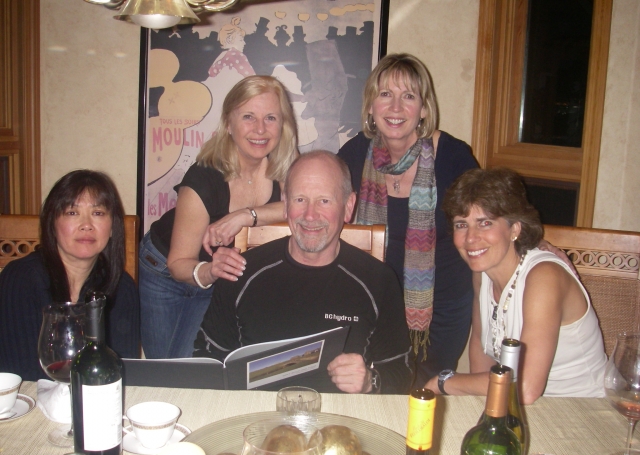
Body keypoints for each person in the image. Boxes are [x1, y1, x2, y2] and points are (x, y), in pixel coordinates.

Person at [193, 151, 412, 394]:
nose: (310, 215)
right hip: (257, 420)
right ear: (285, 204)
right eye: (300, 200)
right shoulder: (240, 272)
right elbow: (208, 361)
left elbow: (401, 374)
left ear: (348, 206)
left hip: (341, 424)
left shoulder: (379, 281)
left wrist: (370, 381)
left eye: (324, 201)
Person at [337, 53, 479, 386]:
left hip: (439, 311)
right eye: (385, 94)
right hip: (370, 305)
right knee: (374, 387)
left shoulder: (453, 157)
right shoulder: (354, 155)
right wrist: (250, 215)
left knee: (418, 392)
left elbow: (493, 218)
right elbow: (317, 204)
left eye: (409, 96)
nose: (396, 107)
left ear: (424, 109)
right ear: (371, 106)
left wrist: (532, 241)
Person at [139, 75, 298, 359]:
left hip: (220, 275)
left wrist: (243, 216)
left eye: (271, 118)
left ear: (283, 123)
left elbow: (299, 207)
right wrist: (210, 270)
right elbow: (179, 263)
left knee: (197, 363)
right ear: (228, 123)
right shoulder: (202, 177)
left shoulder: (286, 163)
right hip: (164, 268)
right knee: (164, 368)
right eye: (248, 116)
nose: (260, 129)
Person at [424, 168, 606, 402]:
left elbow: (526, 388)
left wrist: (443, 382)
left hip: (583, 412)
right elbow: (481, 349)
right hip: (517, 408)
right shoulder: (483, 273)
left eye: (485, 223)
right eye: (461, 224)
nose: (470, 238)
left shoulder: (544, 277)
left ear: (515, 229)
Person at [0, 170, 140, 381]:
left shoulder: (122, 287)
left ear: (112, 227)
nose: (86, 225)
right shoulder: (21, 279)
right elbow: (20, 377)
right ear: (52, 223)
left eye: (98, 213)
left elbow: (121, 372)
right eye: (72, 213)